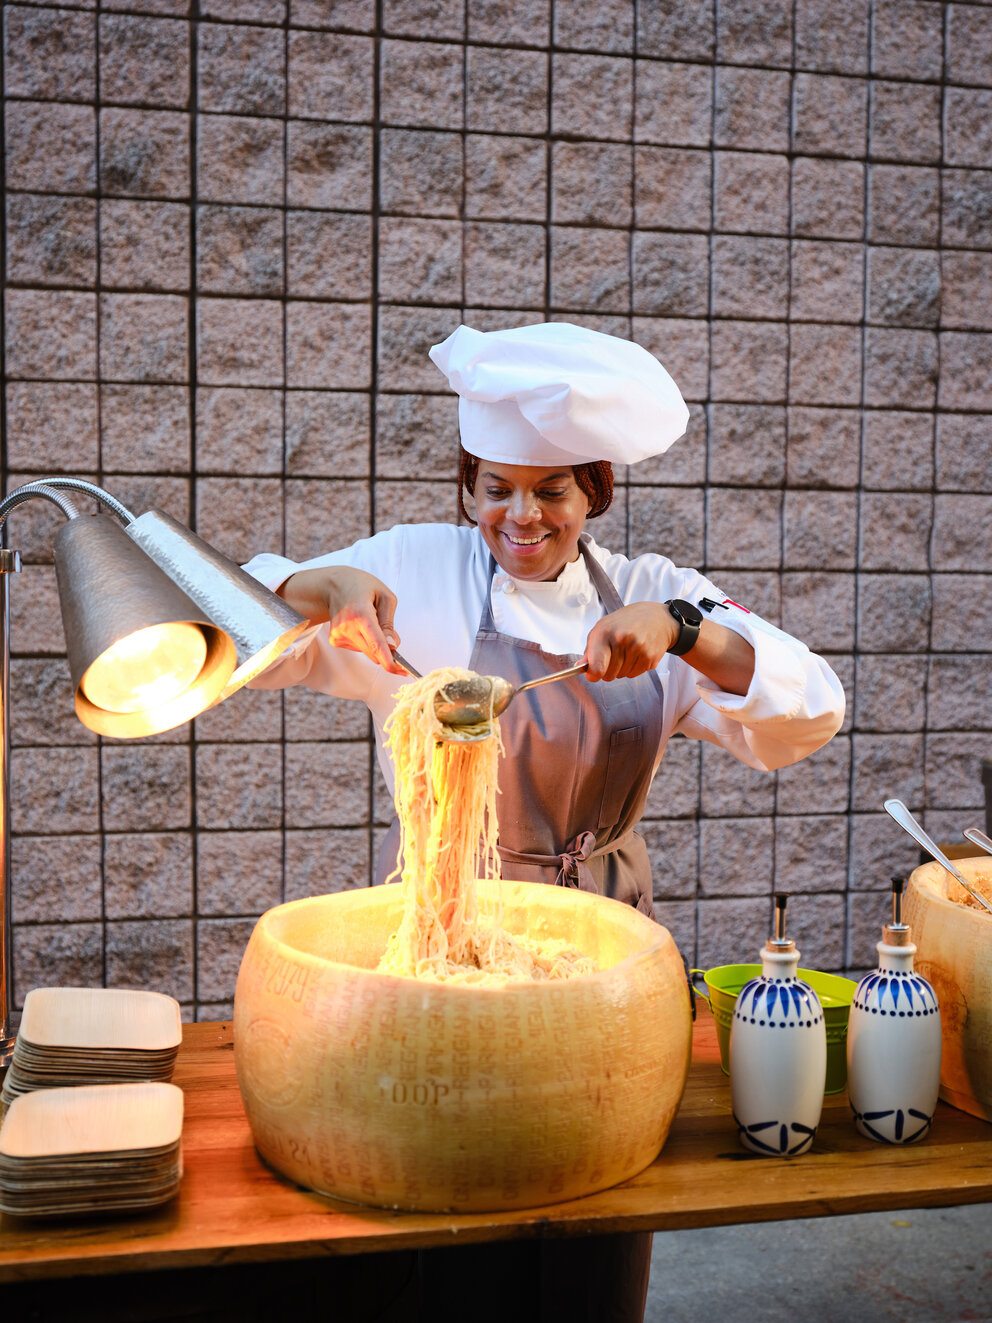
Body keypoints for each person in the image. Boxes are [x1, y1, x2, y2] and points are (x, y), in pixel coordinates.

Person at [244, 321, 846, 1323]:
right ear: (469, 487)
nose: (518, 516)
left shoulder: (650, 592)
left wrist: (687, 637)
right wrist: (317, 589)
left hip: (610, 963)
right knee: (447, 1225)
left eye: (549, 490)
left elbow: (811, 705)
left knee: (594, 1238)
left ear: (592, 492)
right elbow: (237, 616)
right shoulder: (418, 570)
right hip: (443, 962)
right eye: (494, 487)